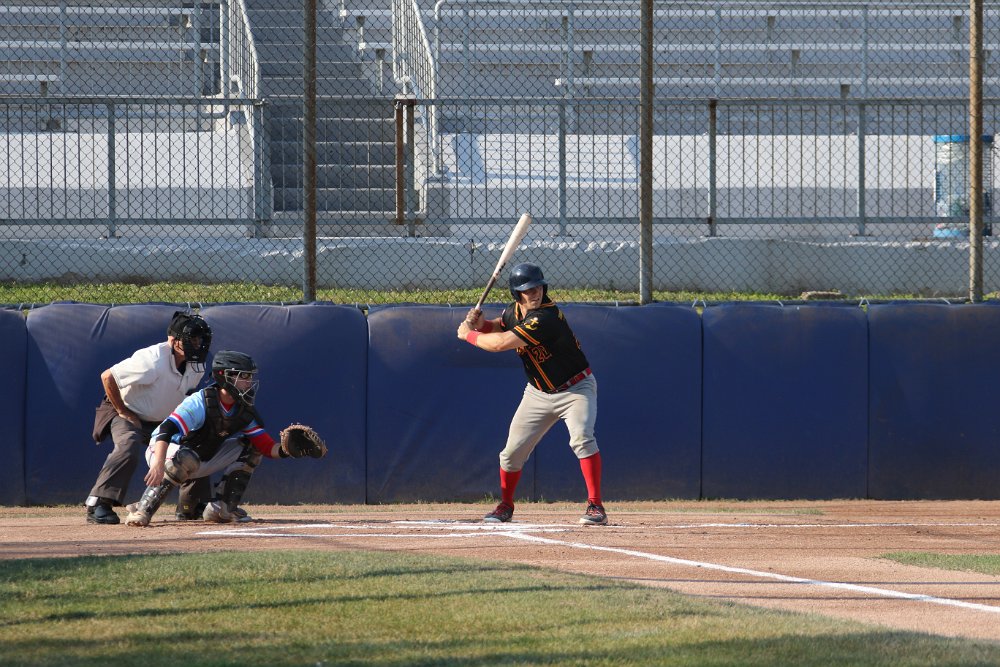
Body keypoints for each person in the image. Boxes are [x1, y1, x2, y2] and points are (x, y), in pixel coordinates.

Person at [457, 262, 607, 526]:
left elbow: (501, 344)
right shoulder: (514, 311)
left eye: (538, 287)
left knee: (582, 438)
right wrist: (482, 324)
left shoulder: (545, 317)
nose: (535, 293)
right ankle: (505, 505)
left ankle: (596, 506)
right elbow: (500, 326)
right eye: (527, 290)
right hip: (538, 393)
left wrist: (469, 335)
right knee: (511, 454)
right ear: (517, 294)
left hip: (575, 388)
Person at [125, 350, 292, 527]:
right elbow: (166, 430)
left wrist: (287, 449)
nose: (249, 382)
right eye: (243, 376)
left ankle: (221, 509)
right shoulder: (200, 402)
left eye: (250, 376)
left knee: (251, 447)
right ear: (224, 376)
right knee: (187, 457)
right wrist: (158, 463)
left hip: (200, 458)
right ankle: (143, 509)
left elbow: (266, 447)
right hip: (165, 450)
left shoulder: (243, 409)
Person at [84, 311, 213, 525]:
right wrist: (124, 412)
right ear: (173, 339)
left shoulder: (196, 366)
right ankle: (98, 503)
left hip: (162, 420)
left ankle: (192, 504)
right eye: (191, 338)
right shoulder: (152, 360)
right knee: (128, 442)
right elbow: (107, 376)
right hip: (126, 410)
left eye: (200, 339)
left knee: (196, 442)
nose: (197, 344)